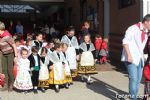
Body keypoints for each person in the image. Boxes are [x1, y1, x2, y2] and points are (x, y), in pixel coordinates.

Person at [121, 14, 150, 100]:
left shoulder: (145, 33)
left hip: (140, 59)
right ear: (146, 22)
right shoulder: (133, 28)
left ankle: (134, 96)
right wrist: (129, 55)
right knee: (133, 78)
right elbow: (125, 42)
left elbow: (141, 47)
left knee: (138, 80)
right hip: (131, 58)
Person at [0, 21, 18, 92]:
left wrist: (16, 56)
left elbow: (14, 45)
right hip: (3, 54)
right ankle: (5, 85)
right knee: (4, 70)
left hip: (10, 54)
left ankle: (11, 84)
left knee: (10, 70)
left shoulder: (7, 36)